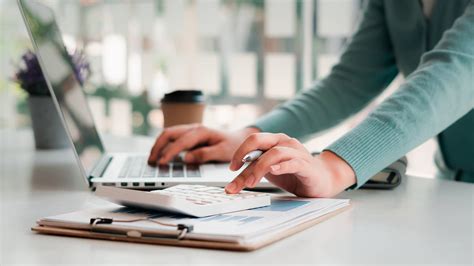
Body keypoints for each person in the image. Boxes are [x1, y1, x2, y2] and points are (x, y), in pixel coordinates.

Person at [148, 0, 474, 197]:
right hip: (455, 189)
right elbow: (351, 80)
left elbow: (458, 69)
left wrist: (334, 168)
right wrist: (248, 136)